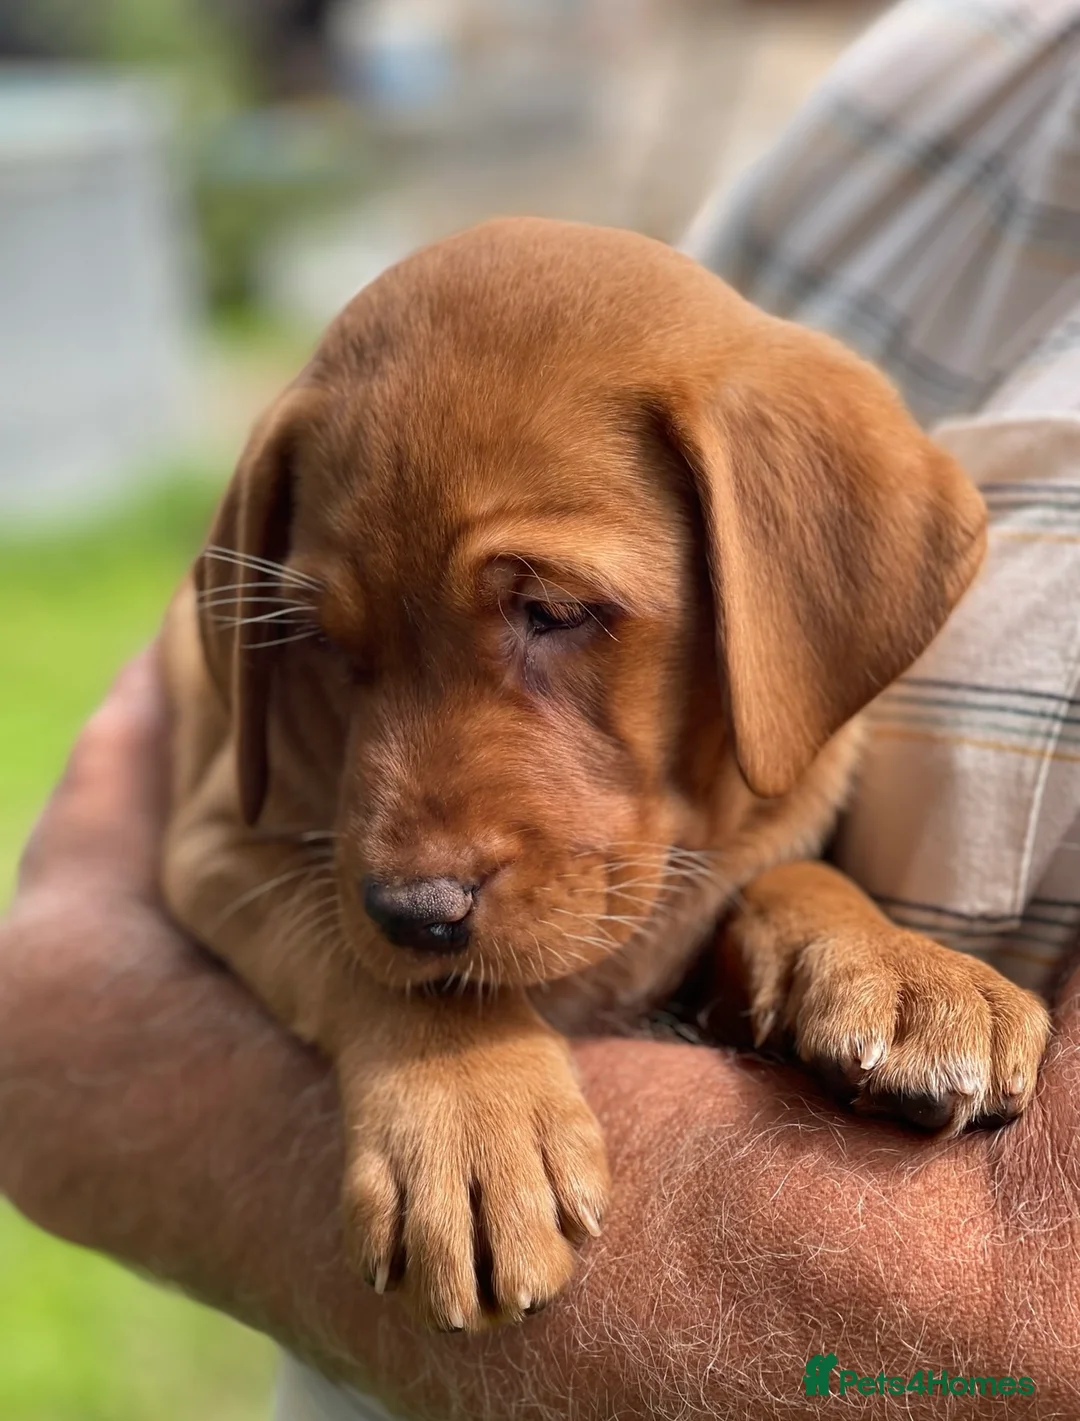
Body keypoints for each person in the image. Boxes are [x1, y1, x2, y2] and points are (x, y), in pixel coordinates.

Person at [3, 0, 1080, 1415]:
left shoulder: (766, 533)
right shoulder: (944, 76)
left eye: (553, 616)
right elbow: (223, 845)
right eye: (342, 653)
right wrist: (417, 1031)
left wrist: (816, 917)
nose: (413, 866)